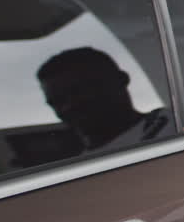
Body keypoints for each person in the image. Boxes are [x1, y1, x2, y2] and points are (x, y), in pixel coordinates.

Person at [38, 47, 173, 152]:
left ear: (121, 79)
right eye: (57, 101)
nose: (70, 106)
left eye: (79, 92)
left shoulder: (182, 121)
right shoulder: (73, 173)